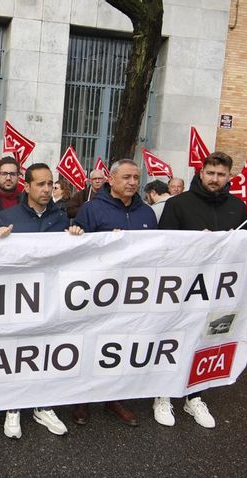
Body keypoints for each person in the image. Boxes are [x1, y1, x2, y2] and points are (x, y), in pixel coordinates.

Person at [0, 163, 83, 438]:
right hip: (16, 298)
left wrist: (76, 238)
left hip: (50, 299)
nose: (46, 189)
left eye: (50, 183)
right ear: (27, 186)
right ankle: (13, 406)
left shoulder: (61, 217)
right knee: (16, 352)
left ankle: (43, 405)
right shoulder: (6, 217)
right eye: (40, 184)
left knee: (46, 352)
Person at [155, 151, 247, 429]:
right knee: (173, 340)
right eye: (210, 173)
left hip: (218, 290)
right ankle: (163, 394)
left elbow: (245, 247)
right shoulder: (178, 204)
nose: (215, 179)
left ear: (229, 177)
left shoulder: (238, 207)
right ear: (201, 173)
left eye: (221, 174)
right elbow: (164, 246)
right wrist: (195, 244)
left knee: (205, 341)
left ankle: (194, 396)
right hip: (183, 288)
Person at [72, 159, 156, 427]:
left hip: (132, 294)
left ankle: (114, 398)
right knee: (90, 344)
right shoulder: (91, 209)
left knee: (120, 346)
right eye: (126, 177)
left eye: (136, 178)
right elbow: (77, 252)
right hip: (97, 293)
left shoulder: (147, 213)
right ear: (111, 179)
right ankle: (82, 399)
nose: (132, 182)